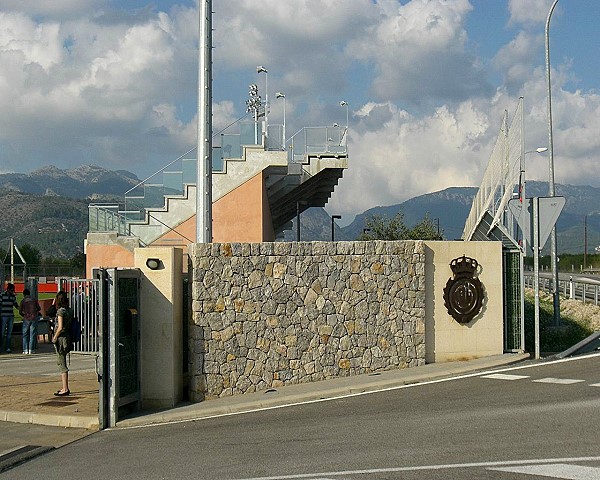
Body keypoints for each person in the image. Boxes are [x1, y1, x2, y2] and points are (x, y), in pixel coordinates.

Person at [51, 290, 73, 396]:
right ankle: (65, 387)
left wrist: (54, 337)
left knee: (62, 363)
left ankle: (65, 388)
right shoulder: (69, 310)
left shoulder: (61, 312)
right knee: (62, 360)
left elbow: (59, 327)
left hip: (61, 338)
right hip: (67, 337)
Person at [19, 288, 41, 355]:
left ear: (24, 294)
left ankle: (25, 349)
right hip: (33, 317)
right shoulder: (34, 300)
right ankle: (31, 349)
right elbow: (39, 308)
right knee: (32, 334)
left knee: (25, 334)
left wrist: (24, 315)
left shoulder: (23, 301)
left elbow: (20, 311)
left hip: (26, 318)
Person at [1, 283, 19, 353]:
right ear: (8, 289)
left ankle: (8, 347)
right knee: (2, 333)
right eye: (11, 290)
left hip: (10, 316)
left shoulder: (13, 297)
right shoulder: (2, 295)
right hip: (4, 316)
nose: (12, 291)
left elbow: (16, 305)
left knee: (9, 333)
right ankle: (2, 346)